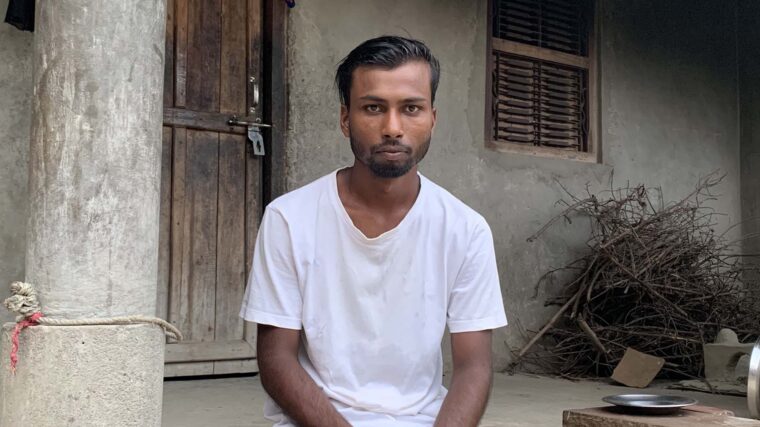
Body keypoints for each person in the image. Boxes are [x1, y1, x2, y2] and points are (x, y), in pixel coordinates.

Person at [240, 35, 507, 426]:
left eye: (411, 108)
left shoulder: (466, 230)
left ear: (432, 118)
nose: (392, 127)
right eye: (373, 108)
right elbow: (276, 359)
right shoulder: (289, 218)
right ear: (345, 118)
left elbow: (473, 367)